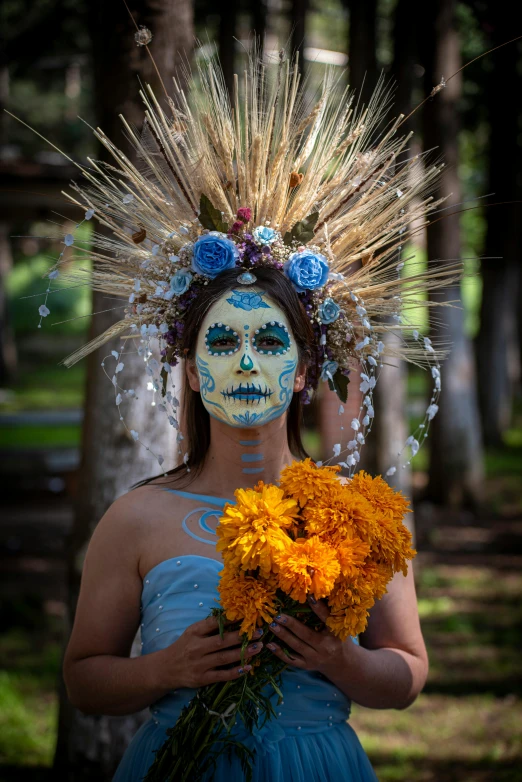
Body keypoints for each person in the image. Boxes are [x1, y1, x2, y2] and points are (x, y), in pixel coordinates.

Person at [63, 267, 429, 781]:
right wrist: (164, 669)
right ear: (191, 371)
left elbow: (408, 672)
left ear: (303, 369)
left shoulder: (360, 514)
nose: (248, 363)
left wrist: (342, 662)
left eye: (271, 341)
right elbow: (82, 680)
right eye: (223, 341)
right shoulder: (136, 518)